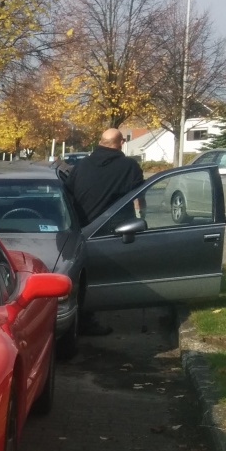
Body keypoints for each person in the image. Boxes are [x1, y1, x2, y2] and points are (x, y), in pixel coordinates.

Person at [62, 128, 145, 335]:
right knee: (105, 277)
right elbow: (140, 197)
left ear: (100, 141)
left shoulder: (80, 166)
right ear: (122, 142)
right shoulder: (129, 167)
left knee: (83, 279)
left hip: (79, 228)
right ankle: (92, 317)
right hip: (112, 231)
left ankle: (84, 318)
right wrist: (142, 219)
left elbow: (68, 195)